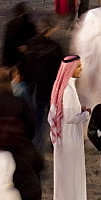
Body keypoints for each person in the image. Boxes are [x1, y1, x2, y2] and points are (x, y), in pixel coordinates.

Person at [49, 56, 90, 200]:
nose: (81, 69)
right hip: (70, 137)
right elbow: (71, 117)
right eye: (78, 66)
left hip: (67, 136)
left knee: (67, 171)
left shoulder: (67, 88)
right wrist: (86, 114)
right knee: (70, 172)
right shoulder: (68, 91)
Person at [19, 15, 64, 150]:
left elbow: (24, 66)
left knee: (38, 116)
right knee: (54, 115)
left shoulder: (29, 46)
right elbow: (61, 69)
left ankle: (37, 144)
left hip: (36, 87)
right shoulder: (55, 47)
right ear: (50, 30)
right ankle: (54, 143)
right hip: (52, 87)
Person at [1, 1, 36, 67]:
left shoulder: (12, 25)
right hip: (27, 59)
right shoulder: (31, 25)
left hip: (13, 58)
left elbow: (8, 44)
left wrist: (4, 61)